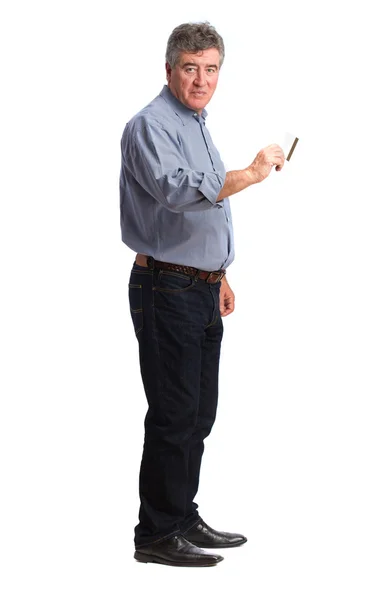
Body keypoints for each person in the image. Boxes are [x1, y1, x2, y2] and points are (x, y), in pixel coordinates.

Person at [120, 21, 285, 567]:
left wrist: (220, 272)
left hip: (198, 285)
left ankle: (181, 515)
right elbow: (178, 192)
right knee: (173, 412)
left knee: (199, 413)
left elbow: (205, 214)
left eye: (210, 69)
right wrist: (253, 173)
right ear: (170, 69)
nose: (201, 79)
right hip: (165, 285)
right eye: (190, 68)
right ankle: (156, 534)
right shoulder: (150, 125)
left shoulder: (195, 122)